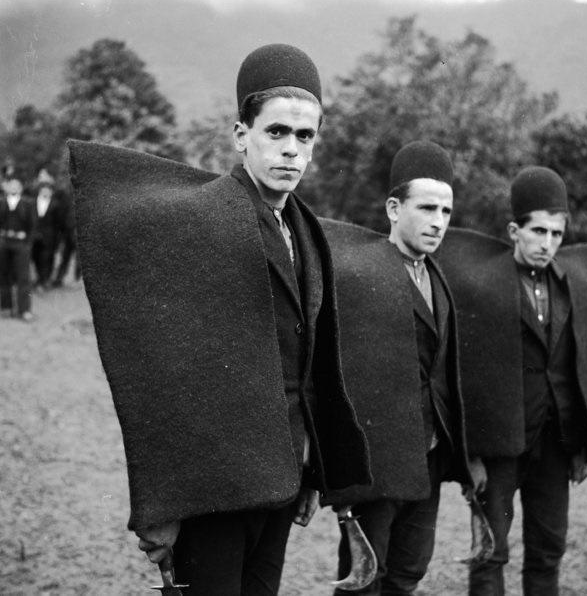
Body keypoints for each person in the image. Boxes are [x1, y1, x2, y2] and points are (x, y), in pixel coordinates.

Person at [68, 43, 370, 596]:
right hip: (215, 489)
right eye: (276, 132)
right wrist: (161, 503)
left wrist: (310, 468)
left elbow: (309, 365)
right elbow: (161, 373)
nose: (291, 151)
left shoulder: (305, 230)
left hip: (282, 478)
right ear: (241, 136)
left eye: (305, 137)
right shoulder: (201, 223)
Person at [322, 141, 484, 595]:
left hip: (429, 458)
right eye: (427, 207)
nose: (438, 221)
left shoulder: (436, 277)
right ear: (394, 208)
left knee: (409, 573)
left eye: (447, 211)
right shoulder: (360, 275)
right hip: (377, 464)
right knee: (363, 581)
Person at [438, 167, 587, 596]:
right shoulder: (483, 286)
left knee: (548, 551)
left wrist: (579, 444)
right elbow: (463, 373)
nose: (547, 244)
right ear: (515, 230)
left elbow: (576, 368)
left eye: (556, 234)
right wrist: (469, 455)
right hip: (498, 448)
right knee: (490, 552)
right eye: (538, 231)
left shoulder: (572, 287)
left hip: (554, 445)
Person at [0, 176, 35, 321]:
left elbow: (33, 226)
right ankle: (6, 307)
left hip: (21, 243)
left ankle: (24, 310)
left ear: (20, 188)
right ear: (7, 188)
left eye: (16, 185)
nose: (13, 187)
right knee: (3, 275)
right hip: (3, 242)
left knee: (23, 277)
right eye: (11, 185)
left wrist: (28, 244)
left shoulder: (27, 203)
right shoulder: (1, 203)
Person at [31, 172, 62, 290]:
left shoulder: (55, 204)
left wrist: (57, 240)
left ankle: (44, 281)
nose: (45, 192)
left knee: (46, 259)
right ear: (40, 190)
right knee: (35, 258)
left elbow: (58, 224)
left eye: (48, 190)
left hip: (49, 237)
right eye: (44, 189)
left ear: (51, 192)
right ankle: (40, 278)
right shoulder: (32, 202)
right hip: (35, 236)